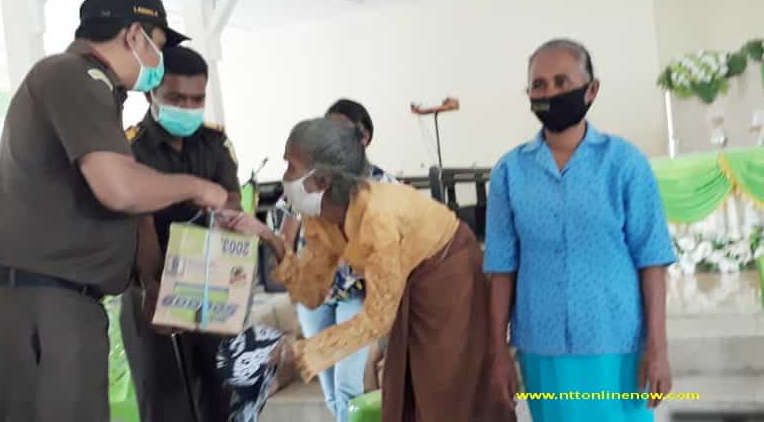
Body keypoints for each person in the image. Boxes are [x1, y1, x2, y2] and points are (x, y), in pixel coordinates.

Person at [0, 0, 230, 421]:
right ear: (134, 36)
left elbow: (130, 209)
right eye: (158, 45)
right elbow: (120, 189)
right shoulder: (72, 76)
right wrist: (197, 188)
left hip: (61, 299)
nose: (159, 62)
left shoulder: (98, 93)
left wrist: (151, 285)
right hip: (42, 298)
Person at [220, 117, 515, 422]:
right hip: (405, 279)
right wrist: (272, 240)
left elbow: (376, 320)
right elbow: (312, 291)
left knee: (447, 387)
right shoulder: (320, 215)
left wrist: (293, 353)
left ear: (322, 180)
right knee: (405, 387)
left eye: (290, 166)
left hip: (448, 275)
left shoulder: (377, 218)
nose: (284, 177)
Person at [485, 39, 675, 422]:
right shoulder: (510, 172)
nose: (549, 93)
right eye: (539, 85)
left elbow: (652, 259)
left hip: (615, 343)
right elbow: (502, 268)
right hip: (542, 348)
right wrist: (498, 353)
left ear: (591, 90)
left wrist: (658, 347)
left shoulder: (624, 164)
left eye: (561, 82)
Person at [120, 45, 241, 422]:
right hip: (148, 283)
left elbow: (232, 204)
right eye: (176, 98)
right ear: (150, 94)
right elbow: (138, 221)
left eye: (196, 99)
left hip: (210, 278)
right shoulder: (127, 149)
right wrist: (154, 285)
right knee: (165, 398)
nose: (188, 107)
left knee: (222, 392)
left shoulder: (214, 143)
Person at [270, 99, 396, 422]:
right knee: (328, 388)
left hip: (357, 296)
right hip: (315, 298)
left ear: (363, 138)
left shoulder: (382, 184)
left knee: (347, 385)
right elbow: (286, 235)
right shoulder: (305, 182)